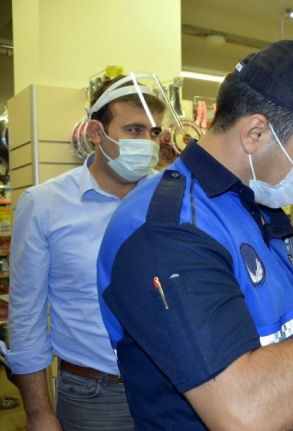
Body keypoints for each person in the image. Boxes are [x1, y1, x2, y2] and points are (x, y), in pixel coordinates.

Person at [96, 40, 293, 430]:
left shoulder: (254, 203)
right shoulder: (169, 231)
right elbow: (245, 414)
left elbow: (267, 321)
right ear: (255, 133)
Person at [8, 73, 165, 431]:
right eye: (134, 130)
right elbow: (26, 316)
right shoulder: (45, 205)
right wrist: (38, 413)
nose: (147, 143)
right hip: (94, 396)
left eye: (154, 133)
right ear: (96, 132)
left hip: (174, 387)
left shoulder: (170, 196)